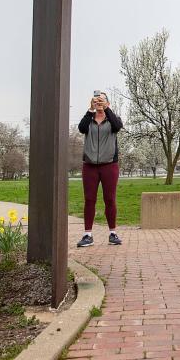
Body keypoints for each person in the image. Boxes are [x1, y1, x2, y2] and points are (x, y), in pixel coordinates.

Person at [76, 91, 123, 248]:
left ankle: (113, 233)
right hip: (89, 166)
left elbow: (118, 126)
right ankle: (87, 235)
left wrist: (106, 109)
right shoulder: (89, 120)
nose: (99, 103)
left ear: (107, 103)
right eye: (96, 101)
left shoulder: (112, 120)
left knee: (109, 199)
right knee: (89, 199)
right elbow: (81, 128)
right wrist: (90, 110)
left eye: (102, 100)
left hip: (109, 165)